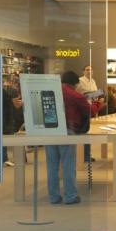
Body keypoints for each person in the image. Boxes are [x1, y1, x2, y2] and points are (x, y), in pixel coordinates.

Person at [44, 70, 89, 205]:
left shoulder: (51, 91)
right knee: (68, 165)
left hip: (49, 131)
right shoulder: (75, 95)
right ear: (75, 83)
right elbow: (89, 110)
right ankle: (70, 196)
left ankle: (54, 197)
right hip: (67, 132)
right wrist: (99, 103)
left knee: (52, 166)